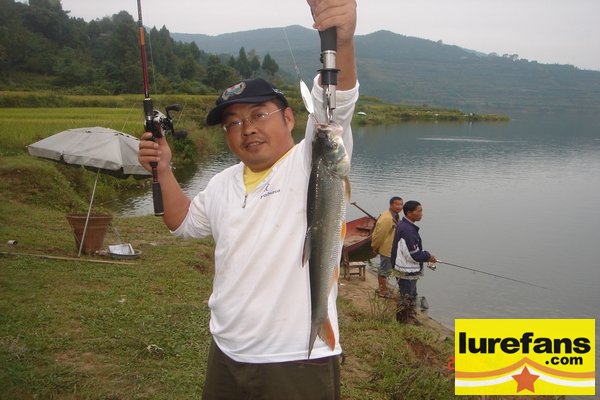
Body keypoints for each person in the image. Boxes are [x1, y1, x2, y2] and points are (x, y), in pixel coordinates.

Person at [138, 0, 357, 398]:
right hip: (226, 353)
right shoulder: (222, 183)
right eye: (233, 123)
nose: (247, 129)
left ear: (289, 118)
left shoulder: (312, 160)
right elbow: (181, 222)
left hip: (294, 360)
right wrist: (165, 169)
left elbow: (336, 104)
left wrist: (341, 41)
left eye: (258, 115)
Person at [390, 200, 436, 324]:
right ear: (409, 213)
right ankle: (403, 321)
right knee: (406, 295)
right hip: (406, 269)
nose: (421, 214)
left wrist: (426, 255)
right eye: (419, 211)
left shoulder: (404, 225)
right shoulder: (408, 230)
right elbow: (413, 254)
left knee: (411, 294)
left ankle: (409, 317)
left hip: (403, 266)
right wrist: (428, 256)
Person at [370, 196, 403, 298]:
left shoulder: (395, 216)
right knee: (384, 271)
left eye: (401, 204)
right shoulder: (387, 218)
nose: (399, 207)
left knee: (386, 269)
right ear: (391, 205)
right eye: (397, 204)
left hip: (392, 249)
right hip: (387, 249)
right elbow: (380, 235)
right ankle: (382, 291)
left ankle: (383, 288)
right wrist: (375, 247)